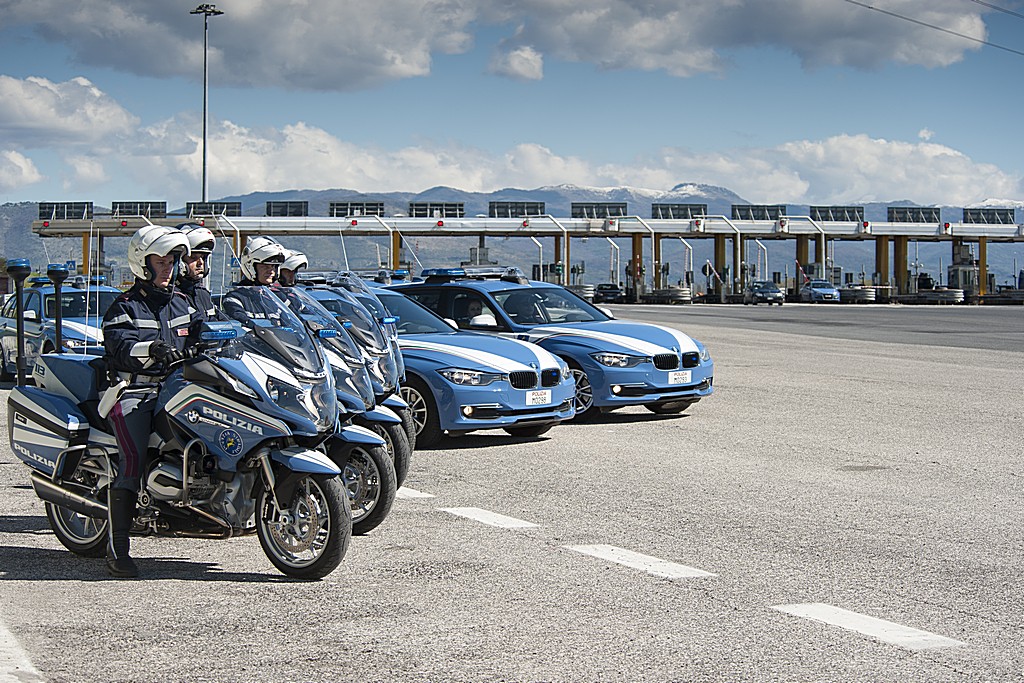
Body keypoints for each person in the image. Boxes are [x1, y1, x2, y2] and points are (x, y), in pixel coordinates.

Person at [101, 225, 200, 578]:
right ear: (143, 263)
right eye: (161, 260)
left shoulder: (183, 304)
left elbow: (210, 334)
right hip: (135, 393)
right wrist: (150, 350)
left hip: (179, 389)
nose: (168, 267)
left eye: (172, 260)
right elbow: (120, 347)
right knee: (132, 459)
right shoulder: (123, 307)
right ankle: (118, 547)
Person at [220, 235, 288, 327]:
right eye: (265, 266)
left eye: (274, 266)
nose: (271, 271)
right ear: (250, 266)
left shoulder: (277, 298)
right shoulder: (235, 298)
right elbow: (239, 318)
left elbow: (294, 321)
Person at [175, 223, 219, 321]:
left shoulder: (203, 294)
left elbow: (220, 320)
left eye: (203, 257)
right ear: (179, 262)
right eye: (193, 258)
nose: (200, 263)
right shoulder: (172, 296)